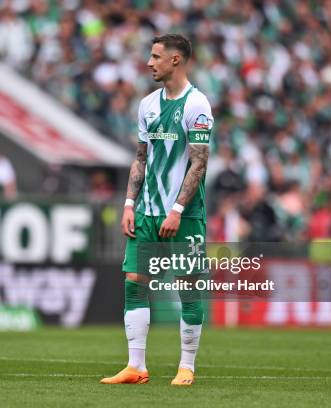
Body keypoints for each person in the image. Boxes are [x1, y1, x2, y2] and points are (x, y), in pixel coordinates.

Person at [100, 34, 213, 386]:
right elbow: (140, 158)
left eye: (155, 56)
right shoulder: (147, 104)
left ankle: (187, 367)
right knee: (135, 283)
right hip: (146, 213)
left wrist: (178, 209)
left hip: (184, 216)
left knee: (188, 287)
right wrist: (129, 204)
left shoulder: (197, 105)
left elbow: (199, 163)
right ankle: (136, 367)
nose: (149, 63)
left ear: (176, 60)